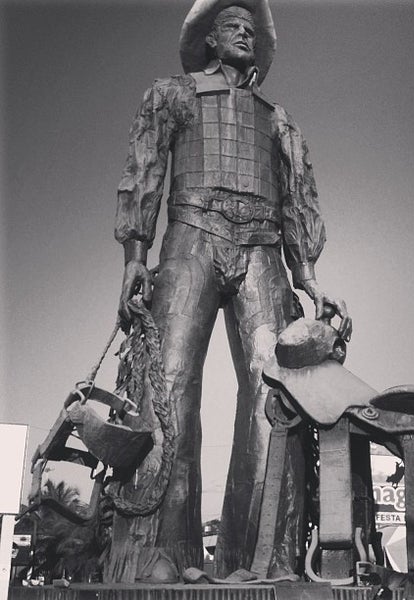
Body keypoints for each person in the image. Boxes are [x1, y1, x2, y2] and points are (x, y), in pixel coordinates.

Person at [113, 0, 351, 580]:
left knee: (276, 394)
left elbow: (299, 199)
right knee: (168, 383)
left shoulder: (279, 120)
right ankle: (161, 554)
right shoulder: (171, 94)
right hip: (190, 235)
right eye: (230, 25)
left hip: (263, 247)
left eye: (250, 27)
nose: (243, 30)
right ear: (209, 42)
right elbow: (144, 170)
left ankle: (260, 555)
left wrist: (310, 279)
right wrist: (135, 257)